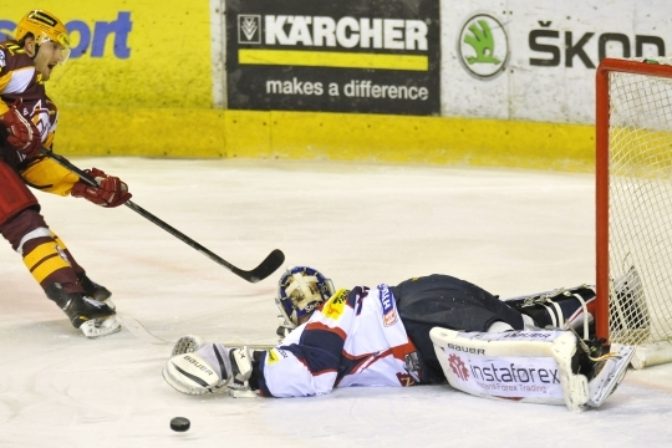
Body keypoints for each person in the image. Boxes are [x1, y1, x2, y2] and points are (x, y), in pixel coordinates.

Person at [163, 266, 634, 410]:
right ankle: (608, 304)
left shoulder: (318, 328)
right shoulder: (345, 301)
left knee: (497, 341)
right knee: (514, 317)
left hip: (413, 324)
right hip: (425, 289)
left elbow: (308, 371)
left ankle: (577, 361)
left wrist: (236, 363)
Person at [0, 10, 132, 338]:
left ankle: (76, 281)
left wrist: (85, 184)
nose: (59, 55)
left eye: (62, 49)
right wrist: (5, 115)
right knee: (22, 219)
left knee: (28, 219)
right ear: (30, 43)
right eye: (53, 46)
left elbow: (32, 165)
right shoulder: (12, 59)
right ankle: (74, 298)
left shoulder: (46, 109)